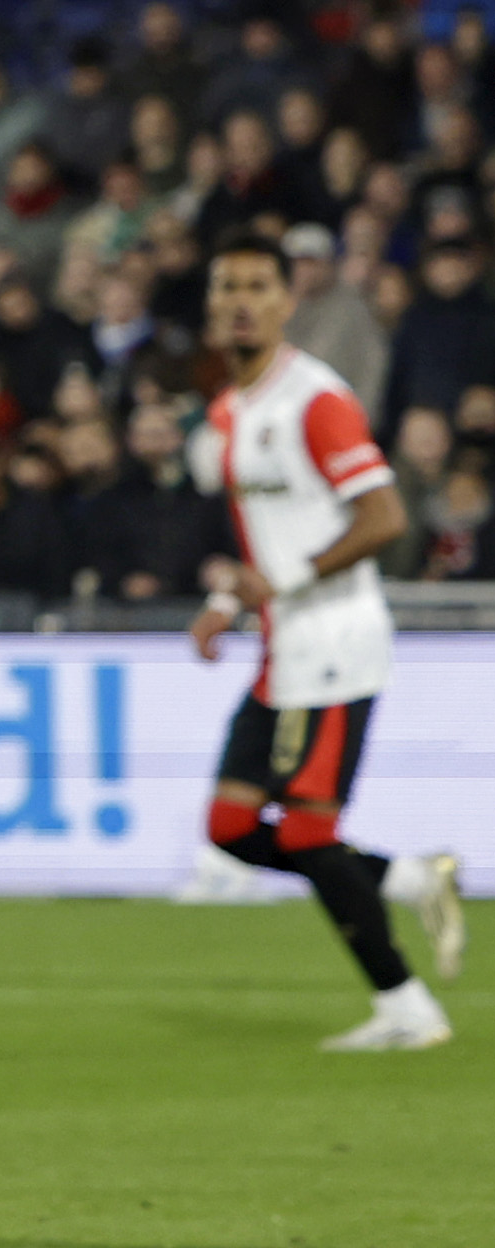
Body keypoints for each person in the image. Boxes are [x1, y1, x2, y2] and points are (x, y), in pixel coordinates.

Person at [187, 237, 468, 1048]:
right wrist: (225, 600)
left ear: (287, 302)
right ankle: (408, 876)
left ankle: (407, 1010)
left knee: (308, 832)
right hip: (283, 649)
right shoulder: (229, 412)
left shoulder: (316, 400)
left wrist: (284, 580)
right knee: (230, 826)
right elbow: (264, 535)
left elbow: (384, 518)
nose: (242, 301)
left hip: (338, 643)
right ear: (211, 304)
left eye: (258, 286)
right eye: (228, 286)